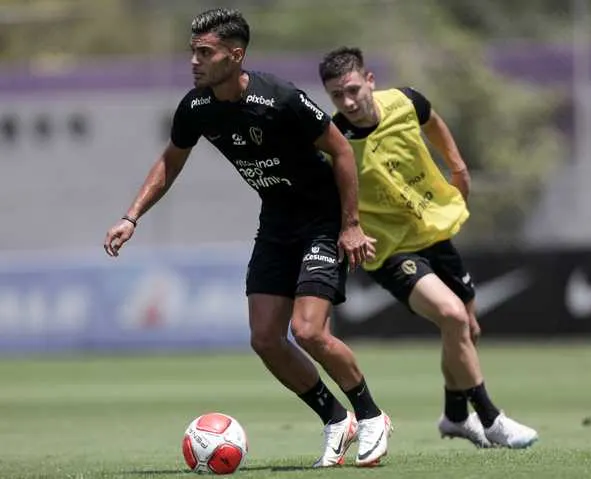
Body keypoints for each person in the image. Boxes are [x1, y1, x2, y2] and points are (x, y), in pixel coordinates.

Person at [103, 9, 392, 467]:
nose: (194, 62)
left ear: (235, 56)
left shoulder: (280, 99)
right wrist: (131, 216)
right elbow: (170, 161)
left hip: (321, 218)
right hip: (277, 221)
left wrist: (350, 224)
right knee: (265, 338)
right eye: (192, 52)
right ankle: (336, 419)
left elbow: (340, 151)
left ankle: (371, 414)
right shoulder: (196, 106)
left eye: (205, 53)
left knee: (308, 331)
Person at [318, 46, 538, 449]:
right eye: (337, 96)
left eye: (352, 90)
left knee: (466, 328)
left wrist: (458, 166)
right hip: (389, 251)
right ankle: (491, 420)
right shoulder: (336, 140)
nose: (347, 102)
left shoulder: (405, 101)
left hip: (433, 232)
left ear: (370, 81)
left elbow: (431, 119)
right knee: (453, 316)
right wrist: (347, 232)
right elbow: (327, 197)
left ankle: (455, 416)